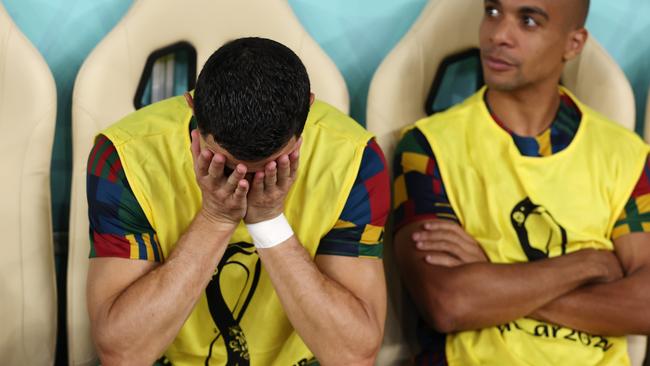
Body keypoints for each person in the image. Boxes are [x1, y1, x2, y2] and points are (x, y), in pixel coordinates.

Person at [86, 37, 389, 366]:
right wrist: (215, 218)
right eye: (225, 164)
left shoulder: (355, 159)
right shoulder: (125, 155)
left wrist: (269, 221)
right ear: (192, 105)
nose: (243, 182)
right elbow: (122, 352)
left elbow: (354, 355)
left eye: (272, 167)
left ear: (309, 107)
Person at [393, 0, 650, 365]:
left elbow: (644, 306)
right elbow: (449, 303)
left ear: (573, 44)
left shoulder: (627, 156)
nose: (497, 35)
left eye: (528, 21)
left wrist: (492, 279)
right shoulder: (427, 147)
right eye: (492, 12)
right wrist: (588, 264)